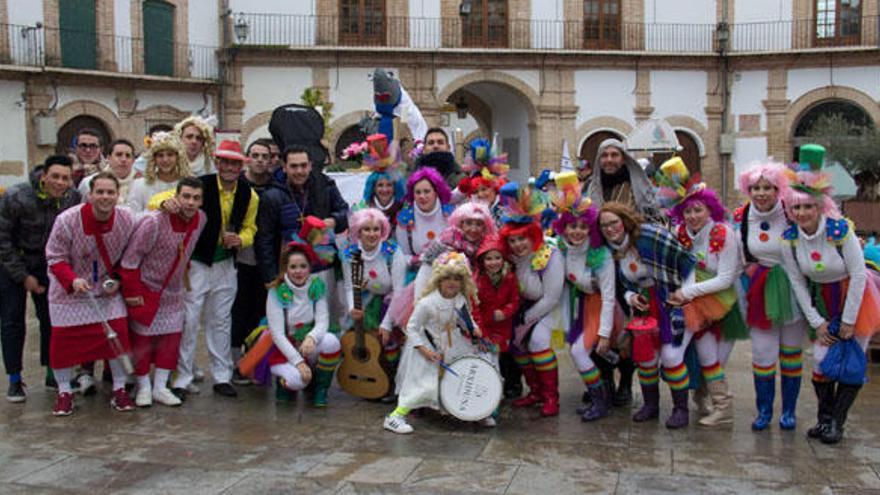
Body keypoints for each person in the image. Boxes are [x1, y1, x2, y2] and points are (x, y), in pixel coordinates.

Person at [780, 144, 880, 444]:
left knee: (850, 361)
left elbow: (860, 273)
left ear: (820, 206)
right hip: (821, 298)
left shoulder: (840, 231)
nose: (801, 212)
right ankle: (824, 419)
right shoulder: (790, 241)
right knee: (822, 360)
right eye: (795, 207)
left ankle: (837, 422)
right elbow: (797, 282)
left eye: (807, 206)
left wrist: (849, 320)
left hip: (855, 296)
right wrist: (817, 322)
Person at [151, 140, 259, 399]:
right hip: (197, 263)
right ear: (218, 162)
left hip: (225, 264)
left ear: (241, 165)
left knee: (221, 321)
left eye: (235, 162)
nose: (230, 167)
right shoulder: (201, 185)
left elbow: (250, 228)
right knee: (189, 320)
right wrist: (163, 205)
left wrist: (241, 240)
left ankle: (222, 376)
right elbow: (159, 199)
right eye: (225, 161)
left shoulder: (249, 194)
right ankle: (182, 377)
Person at [658, 158, 748, 427]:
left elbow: (725, 278)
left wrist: (686, 293)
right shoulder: (679, 232)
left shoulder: (724, 233)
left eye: (698, 210)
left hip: (725, 301)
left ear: (709, 209)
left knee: (716, 357)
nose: (693, 216)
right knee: (702, 353)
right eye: (687, 211)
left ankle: (722, 406)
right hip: (693, 302)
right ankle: (701, 400)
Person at [44, 171, 137, 416]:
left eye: (110, 192)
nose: (105, 197)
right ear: (89, 195)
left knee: (118, 337)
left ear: (118, 195)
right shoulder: (67, 220)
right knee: (62, 344)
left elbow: (131, 254)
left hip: (106, 290)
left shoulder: (127, 219)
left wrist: (117, 279)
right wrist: (71, 280)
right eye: (100, 192)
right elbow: (55, 256)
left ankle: (119, 389)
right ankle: (64, 391)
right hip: (70, 294)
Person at [598, 202, 696, 428]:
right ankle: (651, 405)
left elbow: (688, 262)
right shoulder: (611, 251)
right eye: (604, 226)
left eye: (614, 222)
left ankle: (681, 409)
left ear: (625, 221)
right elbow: (622, 284)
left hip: (674, 302)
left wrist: (684, 293)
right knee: (646, 359)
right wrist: (632, 296)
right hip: (643, 308)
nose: (610, 229)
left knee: (671, 357)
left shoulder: (651, 236)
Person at [118, 177, 206, 407]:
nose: (190, 202)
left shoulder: (200, 220)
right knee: (142, 341)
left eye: (196, 198)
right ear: (175, 197)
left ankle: (160, 386)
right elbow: (130, 260)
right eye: (185, 196)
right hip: (146, 286)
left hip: (173, 290)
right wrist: (133, 292)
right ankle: (143, 387)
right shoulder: (154, 222)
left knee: (170, 339)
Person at [0, 155, 81, 402]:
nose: (59, 182)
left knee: (51, 319)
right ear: (43, 176)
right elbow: (2, 239)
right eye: (54, 176)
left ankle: (52, 373)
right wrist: (22, 276)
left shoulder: (72, 198)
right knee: (12, 321)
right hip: (12, 261)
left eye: (65, 178)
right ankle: (15, 379)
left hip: (47, 264)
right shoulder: (16, 197)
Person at [734, 162, 807, 431]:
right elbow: (739, 254)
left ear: (778, 189)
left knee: (791, 353)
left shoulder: (791, 213)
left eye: (767, 188)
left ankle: (788, 411)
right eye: (756, 188)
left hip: (792, 288)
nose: (761, 193)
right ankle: (763, 410)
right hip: (760, 290)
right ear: (748, 189)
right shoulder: (742, 217)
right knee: (763, 354)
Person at [383, 251, 483, 434]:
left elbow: (465, 318)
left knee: (458, 379)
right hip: (428, 347)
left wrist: (473, 328)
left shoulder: (460, 299)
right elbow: (412, 328)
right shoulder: (427, 303)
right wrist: (423, 349)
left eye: (456, 278)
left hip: (453, 344)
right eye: (447, 278)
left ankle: (465, 411)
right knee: (422, 385)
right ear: (439, 280)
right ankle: (395, 416)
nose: (452, 282)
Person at [551, 172, 617, 422]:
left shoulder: (601, 255)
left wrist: (604, 332)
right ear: (563, 227)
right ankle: (600, 396)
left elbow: (609, 296)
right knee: (576, 350)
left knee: (579, 352)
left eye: (582, 227)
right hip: (578, 306)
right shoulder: (560, 248)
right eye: (572, 226)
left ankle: (600, 400)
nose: (577, 232)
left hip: (600, 308)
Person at [499, 182, 565, 417]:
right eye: (513, 240)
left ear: (532, 235)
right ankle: (535, 391)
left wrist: (526, 319)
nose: (517, 245)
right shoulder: (513, 258)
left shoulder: (550, 253)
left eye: (522, 239)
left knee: (538, 342)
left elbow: (552, 297)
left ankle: (551, 397)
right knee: (516, 345)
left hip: (552, 307)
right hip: (526, 306)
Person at [264, 238, 341, 406]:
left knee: (331, 342)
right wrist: (297, 362)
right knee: (298, 381)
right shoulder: (276, 291)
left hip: (305, 343)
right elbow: (277, 334)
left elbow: (322, 321)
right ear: (285, 268)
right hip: (283, 348)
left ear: (309, 267)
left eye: (303, 266)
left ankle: (320, 389)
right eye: (293, 267)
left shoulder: (316, 286)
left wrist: (311, 337)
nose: (298, 271)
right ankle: (284, 383)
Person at [340, 208, 406, 398]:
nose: (372, 234)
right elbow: (349, 286)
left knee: (389, 341)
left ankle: (392, 379)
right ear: (358, 232)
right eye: (366, 229)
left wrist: (387, 324)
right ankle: (368, 377)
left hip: (391, 302)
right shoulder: (349, 253)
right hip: (366, 301)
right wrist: (354, 307)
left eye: (376, 229)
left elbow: (399, 291)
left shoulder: (393, 252)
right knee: (367, 342)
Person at [229, 139, 276, 385]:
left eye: (264, 156)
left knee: (261, 312)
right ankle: (234, 360)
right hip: (241, 260)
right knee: (238, 310)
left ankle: (253, 361)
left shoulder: (275, 187)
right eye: (255, 155)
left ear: (271, 161)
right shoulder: (237, 186)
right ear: (248, 158)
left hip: (267, 262)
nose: (259, 160)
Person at [473, 234, 520, 412]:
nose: (493, 262)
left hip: (503, 327)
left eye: (497, 257)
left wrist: (506, 311)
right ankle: (488, 393)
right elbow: (474, 307)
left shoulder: (509, 278)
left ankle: (502, 389)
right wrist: (481, 331)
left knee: (503, 358)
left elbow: (515, 300)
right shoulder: (477, 280)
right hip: (485, 327)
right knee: (487, 359)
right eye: (489, 259)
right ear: (482, 261)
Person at [395, 167, 455, 300]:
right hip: (417, 278)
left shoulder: (451, 215)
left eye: (427, 191)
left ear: (436, 192)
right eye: (418, 192)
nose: (422, 196)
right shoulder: (405, 219)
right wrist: (414, 260)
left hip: (449, 277)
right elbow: (401, 256)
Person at [586, 138, 662, 223]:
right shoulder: (591, 189)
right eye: (604, 155)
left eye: (614, 155)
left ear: (624, 159)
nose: (609, 159)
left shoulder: (640, 186)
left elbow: (654, 218)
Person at [352, 134, 406, 234]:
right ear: (373, 188)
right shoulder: (364, 208)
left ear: (395, 187)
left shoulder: (403, 208)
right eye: (380, 185)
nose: (384, 189)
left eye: (389, 185)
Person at [127, 132, 190, 215]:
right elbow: (132, 216)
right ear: (154, 159)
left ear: (177, 157)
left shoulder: (187, 184)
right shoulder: (140, 185)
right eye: (160, 155)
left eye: (170, 155)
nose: (165, 160)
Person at [457, 138, 508, 227]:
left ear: (494, 189)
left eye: (484, 189)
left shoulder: (505, 213)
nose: (480, 194)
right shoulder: (467, 214)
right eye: (475, 192)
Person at [79, 139, 138, 204]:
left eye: (128, 155)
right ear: (109, 158)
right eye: (119, 155)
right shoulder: (88, 182)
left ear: (133, 160)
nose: (123, 159)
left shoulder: (141, 184)